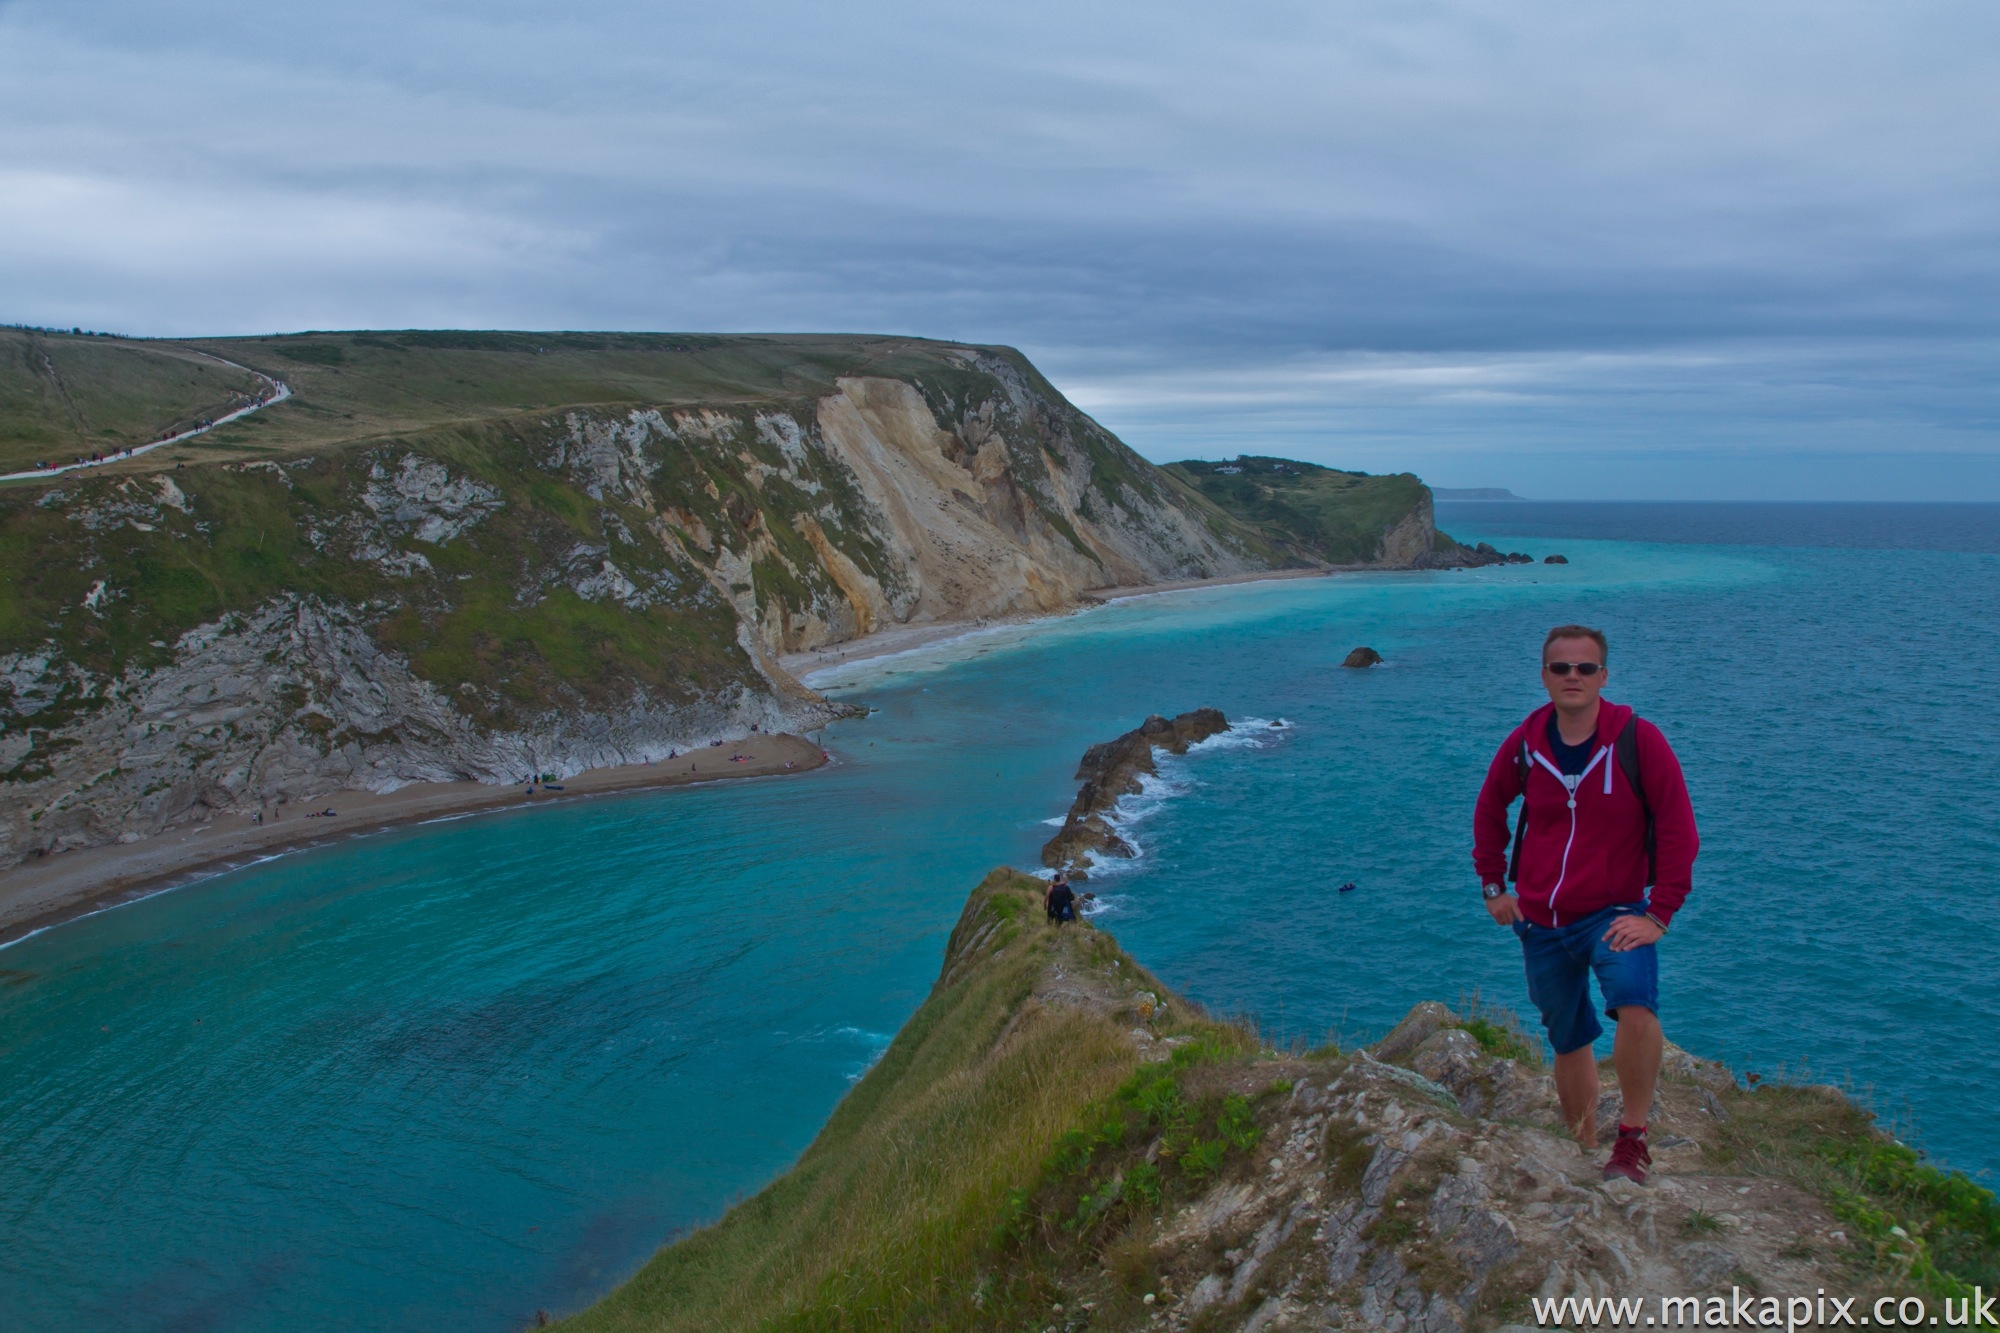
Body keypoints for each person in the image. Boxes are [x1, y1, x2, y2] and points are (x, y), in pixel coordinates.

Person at [1472, 624, 1699, 1185]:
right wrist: (1494, 888)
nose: (1573, 677)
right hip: (1542, 921)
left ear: (1604, 676)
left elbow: (1678, 829)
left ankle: (1632, 1140)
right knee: (1568, 1035)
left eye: (1585, 668)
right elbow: (1489, 808)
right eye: (1561, 668)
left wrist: (1658, 914)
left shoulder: (1638, 740)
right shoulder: (1526, 743)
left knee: (1636, 1004)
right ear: (1544, 676)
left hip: (1613, 911)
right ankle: (1581, 1145)